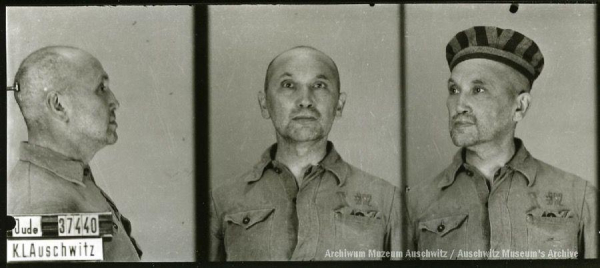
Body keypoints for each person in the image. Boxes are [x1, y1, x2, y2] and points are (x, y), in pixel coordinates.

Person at [406, 26, 597, 259]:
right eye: (454, 89)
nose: (459, 105)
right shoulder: (415, 204)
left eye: (478, 89)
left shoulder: (580, 198)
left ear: (519, 107)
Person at [209, 46, 401, 261]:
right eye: (288, 85)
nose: (305, 100)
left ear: (339, 104)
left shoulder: (386, 200)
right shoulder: (222, 201)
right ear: (264, 104)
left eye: (319, 85)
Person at [7, 46, 142, 261]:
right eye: (101, 88)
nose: (115, 101)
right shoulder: (43, 206)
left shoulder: (69, 178)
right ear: (59, 105)